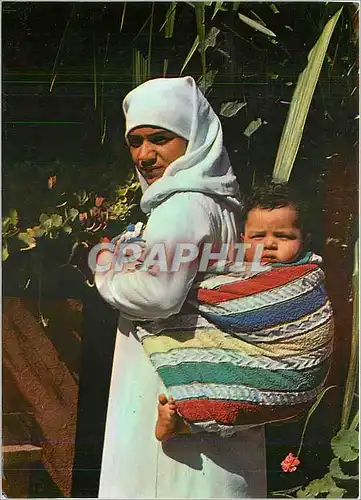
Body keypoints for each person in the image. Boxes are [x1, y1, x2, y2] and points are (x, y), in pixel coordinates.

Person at [94, 76, 267, 499]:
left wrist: (106, 272)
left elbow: (158, 294)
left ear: (192, 138)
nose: (144, 155)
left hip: (166, 378)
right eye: (135, 141)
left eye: (159, 139)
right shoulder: (220, 202)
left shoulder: (182, 204)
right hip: (209, 378)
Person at [150, 180, 333, 441]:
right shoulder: (240, 270)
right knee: (232, 395)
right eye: (259, 237)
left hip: (297, 375)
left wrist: (191, 288)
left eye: (284, 236)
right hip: (263, 372)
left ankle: (195, 418)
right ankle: (187, 424)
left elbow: (242, 308)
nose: (270, 244)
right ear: (242, 239)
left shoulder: (302, 279)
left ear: (303, 240)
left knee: (241, 399)